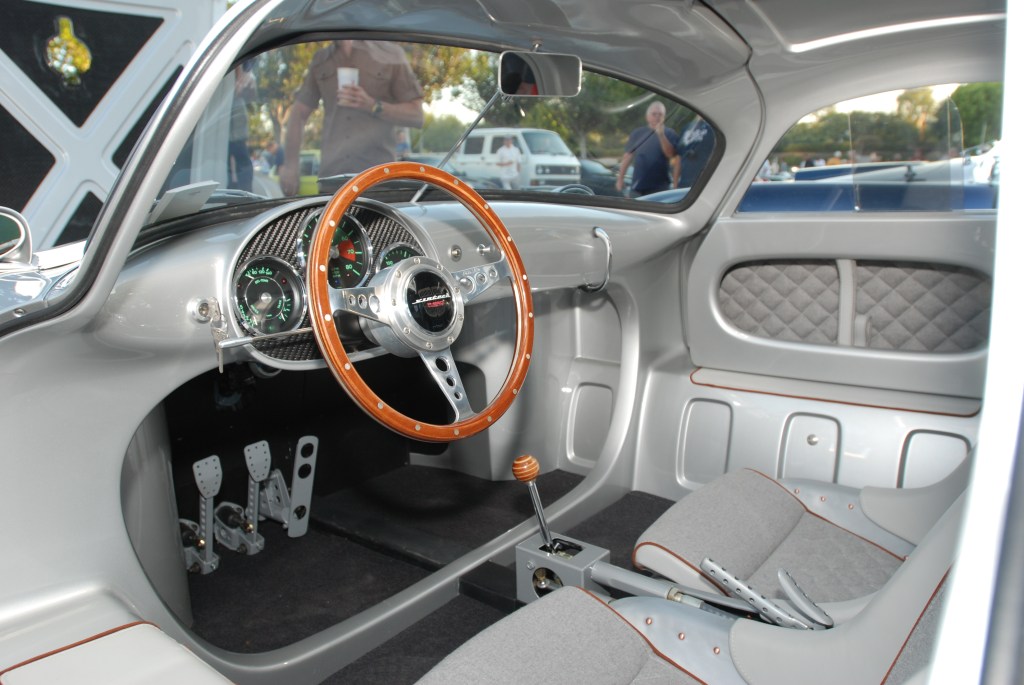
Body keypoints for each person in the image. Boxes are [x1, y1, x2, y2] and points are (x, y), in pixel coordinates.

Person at [279, 40, 424, 196]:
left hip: (378, 181)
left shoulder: (390, 54)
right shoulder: (320, 59)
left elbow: (416, 116)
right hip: (332, 182)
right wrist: (290, 166)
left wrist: (373, 105)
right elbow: (299, 113)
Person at [616, 101, 677, 197]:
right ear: (647, 117)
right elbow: (628, 156)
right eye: (654, 114)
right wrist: (620, 179)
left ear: (664, 117)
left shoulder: (670, 133)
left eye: (660, 114)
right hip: (638, 187)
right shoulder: (638, 133)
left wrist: (661, 135)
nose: (657, 117)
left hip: (661, 187)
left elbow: (670, 154)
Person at [228, 64, 256, 192]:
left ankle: (244, 193)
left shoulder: (247, 72)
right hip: (227, 114)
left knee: (240, 154)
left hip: (233, 112)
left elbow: (250, 93)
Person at [669, 116, 715, 189]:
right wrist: (675, 185)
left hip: (705, 183)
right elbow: (679, 158)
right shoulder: (687, 128)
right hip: (684, 185)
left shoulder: (714, 128)